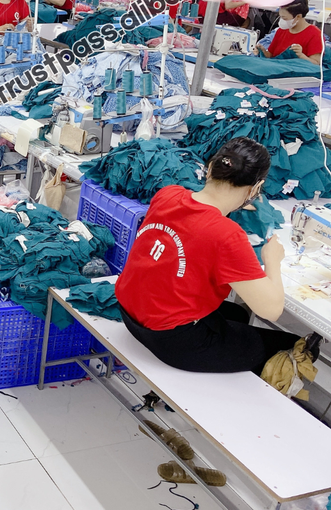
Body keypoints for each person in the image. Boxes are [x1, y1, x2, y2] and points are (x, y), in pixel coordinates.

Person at [116, 137, 317, 375]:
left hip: (130, 314)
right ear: (256, 188)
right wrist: (272, 261)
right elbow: (271, 310)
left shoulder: (168, 194)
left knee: (238, 314)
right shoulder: (227, 234)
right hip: (170, 340)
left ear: (210, 168)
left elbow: (193, 232)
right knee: (289, 344)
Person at [255, 0, 324, 64]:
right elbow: (271, 55)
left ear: (298, 17)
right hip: (276, 66)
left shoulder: (315, 34)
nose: (281, 21)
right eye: (280, 17)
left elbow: (316, 64)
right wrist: (262, 51)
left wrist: (301, 55)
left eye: (284, 18)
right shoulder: (281, 30)